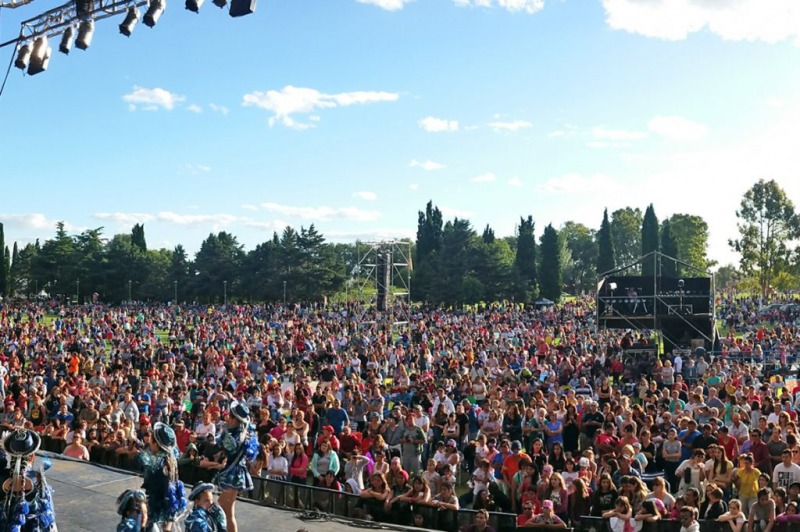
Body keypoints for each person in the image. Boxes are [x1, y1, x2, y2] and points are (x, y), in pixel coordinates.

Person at [0, 428, 57, 532]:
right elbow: (49, 523)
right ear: (32, 456)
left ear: (11, 455)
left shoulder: (2, 476)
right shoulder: (37, 479)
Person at [214, 401, 259, 532]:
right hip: (236, 471)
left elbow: (225, 447)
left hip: (234, 473)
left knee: (224, 509)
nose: (227, 418)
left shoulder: (235, 435)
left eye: (230, 416)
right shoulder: (242, 432)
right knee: (227, 511)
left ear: (235, 419)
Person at [140, 421, 188, 531]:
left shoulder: (154, 462)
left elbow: (152, 485)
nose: (149, 443)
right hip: (168, 502)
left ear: (156, 444)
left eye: (151, 440)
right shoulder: (170, 457)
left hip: (156, 502)